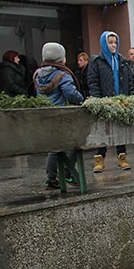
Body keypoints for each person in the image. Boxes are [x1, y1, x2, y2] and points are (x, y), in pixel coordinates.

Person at [33, 42, 83, 190]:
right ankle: (68, 171)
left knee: (54, 148)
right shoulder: (62, 74)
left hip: (47, 116)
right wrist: (82, 99)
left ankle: (51, 178)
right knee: (76, 143)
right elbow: (71, 94)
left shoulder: (38, 75)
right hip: (62, 116)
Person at [87, 30, 134, 172]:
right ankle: (99, 159)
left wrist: (128, 97)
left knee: (120, 129)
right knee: (103, 130)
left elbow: (129, 81)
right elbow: (93, 82)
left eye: (115, 42)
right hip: (105, 101)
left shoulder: (123, 62)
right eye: (110, 42)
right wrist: (98, 100)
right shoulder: (97, 62)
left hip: (120, 100)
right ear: (104, 43)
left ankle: (122, 158)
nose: (113, 45)